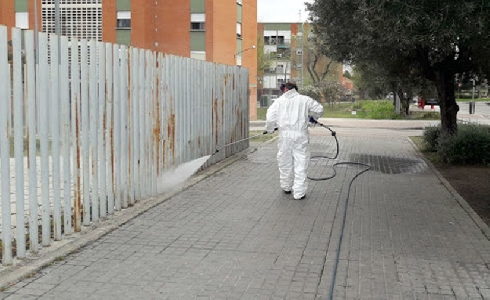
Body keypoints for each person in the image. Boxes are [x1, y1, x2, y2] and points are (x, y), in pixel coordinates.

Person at [265, 82, 324, 200]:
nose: (283, 91)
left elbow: (270, 118)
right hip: (300, 135)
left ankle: (286, 186)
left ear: (287, 89)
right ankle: (299, 193)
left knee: (284, 161)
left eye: (283, 89)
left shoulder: (278, 102)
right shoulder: (304, 99)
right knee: (301, 162)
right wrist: (312, 119)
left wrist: (270, 129)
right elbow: (319, 109)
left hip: (285, 136)